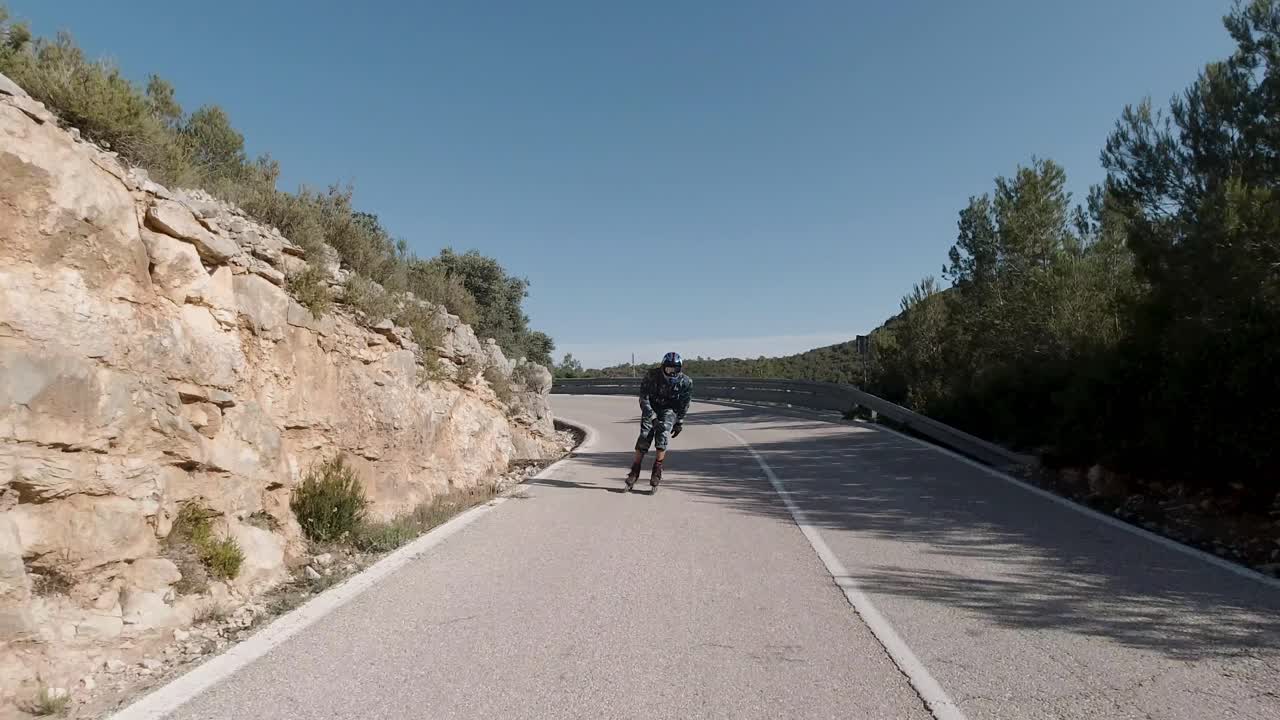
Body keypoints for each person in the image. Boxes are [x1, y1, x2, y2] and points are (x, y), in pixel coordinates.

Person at [626, 352, 693, 491]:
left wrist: (679, 421)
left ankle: (657, 469)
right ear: (663, 367)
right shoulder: (651, 376)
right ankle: (635, 469)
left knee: (662, 434)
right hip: (651, 407)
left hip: (669, 409)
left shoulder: (686, 382)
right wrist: (652, 417)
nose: (672, 373)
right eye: (669, 369)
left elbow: (685, 403)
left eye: (675, 369)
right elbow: (643, 398)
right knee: (645, 436)